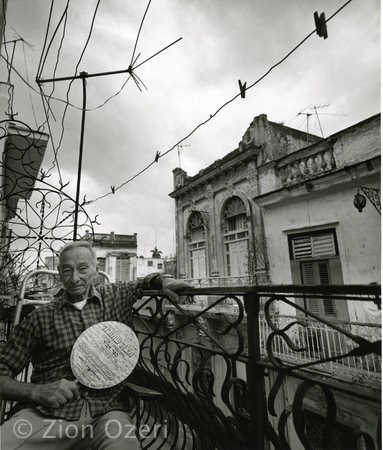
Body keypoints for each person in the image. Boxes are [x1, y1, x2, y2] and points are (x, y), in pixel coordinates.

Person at [0, 241, 192, 449]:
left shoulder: (115, 296)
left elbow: (144, 282)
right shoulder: (40, 317)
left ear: (96, 270)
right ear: (59, 273)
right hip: (49, 413)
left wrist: (165, 281)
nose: (74, 278)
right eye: (67, 270)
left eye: (83, 269)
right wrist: (36, 392)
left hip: (107, 413)